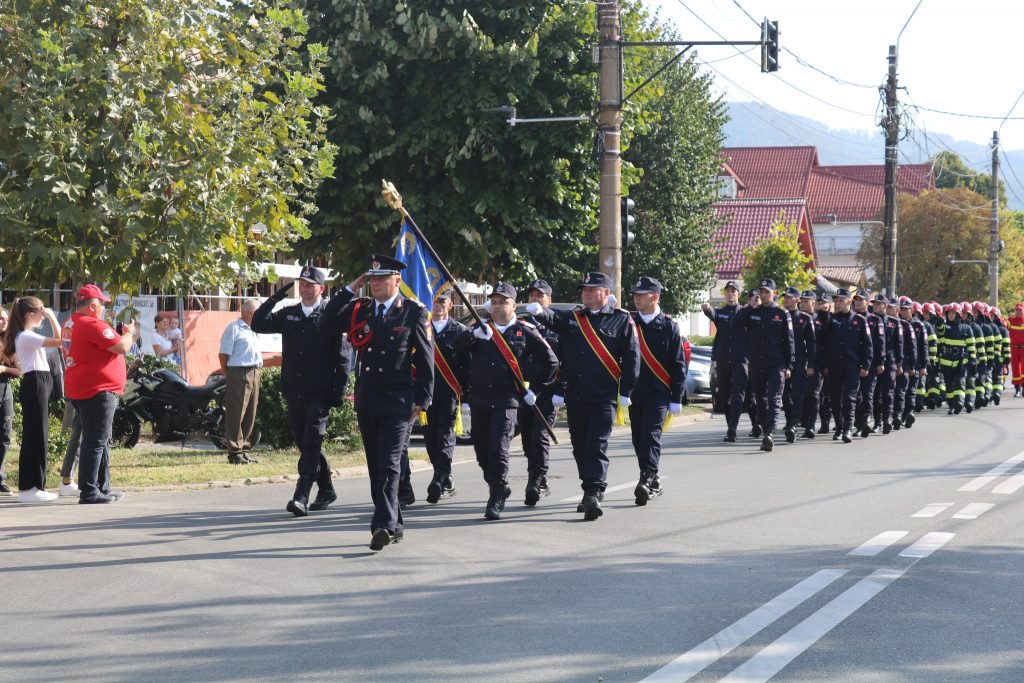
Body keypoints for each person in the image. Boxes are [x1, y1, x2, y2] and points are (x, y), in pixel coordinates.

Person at [321, 255, 433, 551]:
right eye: (371, 279)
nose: (375, 284)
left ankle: (382, 524)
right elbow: (326, 321)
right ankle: (394, 524)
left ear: (397, 280)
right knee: (375, 464)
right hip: (368, 398)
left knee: (390, 462)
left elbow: (425, 359)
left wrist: (423, 398)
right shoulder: (361, 309)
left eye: (382, 279)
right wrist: (348, 289)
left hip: (398, 400)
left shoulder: (412, 312)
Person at [525, 271, 639, 521]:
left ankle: (593, 491)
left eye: (591, 290)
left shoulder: (621, 321)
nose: (586, 294)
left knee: (596, 445)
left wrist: (626, 392)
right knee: (579, 446)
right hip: (576, 395)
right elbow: (554, 318)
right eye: (584, 290)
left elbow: (632, 358)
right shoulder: (575, 318)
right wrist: (539, 312)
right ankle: (589, 486)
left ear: (606, 293)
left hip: (604, 396)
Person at [252, 266, 351, 517]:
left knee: (312, 441)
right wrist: (273, 299)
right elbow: (258, 323)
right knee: (306, 444)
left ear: (322, 288)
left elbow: (343, 357)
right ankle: (327, 489)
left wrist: (339, 391)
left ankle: (302, 494)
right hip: (294, 389)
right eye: (302, 284)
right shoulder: (290, 314)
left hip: (320, 391)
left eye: (309, 284)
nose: (304, 288)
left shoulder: (330, 315)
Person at [455, 283, 558, 520]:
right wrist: (472, 335)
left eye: (504, 301)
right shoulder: (481, 329)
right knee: (481, 450)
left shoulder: (525, 331)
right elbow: (455, 346)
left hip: (508, 400)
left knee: (498, 446)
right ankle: (498, 484)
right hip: (480, 398)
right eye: (495, 302)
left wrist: (538, 390)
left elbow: (551, 361)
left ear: (514, 305)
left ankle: (496, 494)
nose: (499, 306)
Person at [63, 285, 134, 504]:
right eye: (102, 303)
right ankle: (89, 491)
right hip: (97, 389)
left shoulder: (73, 322)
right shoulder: (90, 323)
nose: (103, 307)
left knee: (100, 440)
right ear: (93, 306)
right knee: (95, 441)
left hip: (87, 387)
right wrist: (130, 332)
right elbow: (122, 346)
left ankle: (102, 487)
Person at [628, 276, 685, 503]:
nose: (636, 298)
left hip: (659, 393)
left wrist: (677, 397)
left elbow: (678, 364)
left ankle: (647, 477)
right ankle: (653, 477)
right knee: (638, 438)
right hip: (634, 393)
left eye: (641, 294)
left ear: (655, 297)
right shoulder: (629, 323)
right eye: (635, 294)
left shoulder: (669, 326)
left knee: (651, 435)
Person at [2, 297, 63, 503]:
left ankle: (31, 486)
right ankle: (32, 486)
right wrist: (54, 317)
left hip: (39, 380)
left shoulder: (27, 335)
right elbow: (59, 340)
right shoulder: (26, 336)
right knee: (37, 435)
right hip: (36, 380)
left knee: (36, 434)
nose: (43, 317)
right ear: (30, 315)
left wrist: (48, 314)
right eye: (41, 313)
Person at [731, 279, 795, 452]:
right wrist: (749, 306)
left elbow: (789, 342)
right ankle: (766, 427)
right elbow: (735, 324)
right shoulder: (752, 312)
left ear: (773, 293)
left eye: (767, 291)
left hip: (777, 364)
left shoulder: (782, 313)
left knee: (774, 398)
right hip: (757, 364)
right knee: (761, 400)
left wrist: (790, 365)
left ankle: (769, 433)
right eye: (761, 291)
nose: (763, 295)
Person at [518, 279, 564, 506]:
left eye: (540, 296)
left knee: (539, 435)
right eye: (532, 296)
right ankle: (537, 474)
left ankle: (536, 479)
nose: (534, 299)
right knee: (527, 438)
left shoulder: (558, 327)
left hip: (547, 391)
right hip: (524, 390)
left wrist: (560, 391)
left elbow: (565, 361)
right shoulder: (521, 324)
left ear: (549, 300)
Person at [423, 290, 469, 504]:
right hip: (425, 395)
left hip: (449, 395)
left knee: (444, 438)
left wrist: (467, 396)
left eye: (442, 301)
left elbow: (467, 367)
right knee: (431, 440)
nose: (438, 305)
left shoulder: (460, 332)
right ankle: (445, 478)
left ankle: (439, 478)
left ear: (450, 305)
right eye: (434, 301)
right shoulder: (422, 328)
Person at [821, 289, 871, 444]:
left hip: (852, 366)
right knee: (835, 399)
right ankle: (839, 426)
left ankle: (848, 428)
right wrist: (824, 314)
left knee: (849, 398)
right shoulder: (832, 319)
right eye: (836, 300)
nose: (838, 303)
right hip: (834, 366)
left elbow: (868, 345)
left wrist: (866, 365)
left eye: (841, 300)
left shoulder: (860, 320)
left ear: (850, 301)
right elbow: (822, 339)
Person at [218, 299, 263, 465]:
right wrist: (229, 373)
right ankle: (234, 451)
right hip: (238, 371)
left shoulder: (255, 330)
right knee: (236, 413)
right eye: (259, 311)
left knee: (250, 413)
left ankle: (244, 449)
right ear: (250, 313)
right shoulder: (234, 329)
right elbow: (223, 355)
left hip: (254, 371)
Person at [781, 287, 816, 443]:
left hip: (800, 363)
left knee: (798, 395)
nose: (786, 300)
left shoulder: (805, 318)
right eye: (785, 297)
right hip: (782, 362)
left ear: (797, 300)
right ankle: (790, 420)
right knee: (784, 395)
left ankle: (794, 423)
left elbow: (812, 344)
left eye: (789, 297)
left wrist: (811, 364)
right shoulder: (780, 316)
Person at [701, 281, 741, 416]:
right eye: (727, 291)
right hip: (723, 360)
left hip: (739, 361)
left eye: (733, 291)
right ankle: (731, 427)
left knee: (738, 394)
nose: (730, 294)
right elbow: (713, 314)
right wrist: (707, 309)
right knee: (724, 395)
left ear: (738, 294)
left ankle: (739, 424)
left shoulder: (743, 312)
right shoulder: (721, 312)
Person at [852, 290, 885, 438]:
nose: (858, 302)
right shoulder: (851, 318)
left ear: (867, 303)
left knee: (867, 394)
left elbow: (880, 343)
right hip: (852, 362)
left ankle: (864, 422)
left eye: (861, 299)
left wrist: (880, 362)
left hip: (870, 363)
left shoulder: (875, 320)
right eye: (856, 299)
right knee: (855, 395)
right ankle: (858, 423)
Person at [0, 306, 23, 496]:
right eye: (0, 319)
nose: (4, 323)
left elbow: (17, 371)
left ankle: (0, 478)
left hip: (5, 390)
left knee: (6, 435)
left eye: (6, 319)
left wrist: (4, 369)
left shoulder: (9, 342)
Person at [871, 294, 901, 434]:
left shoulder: (894, 323)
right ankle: (877, 421)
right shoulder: (870, 321)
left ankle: (887, 419)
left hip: (890, 361)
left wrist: (899, 363)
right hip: (873, 360)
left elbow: (898, 345)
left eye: (878, 304)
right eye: (874, 304)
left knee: (888, 392)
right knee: (875, 393)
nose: (875, 306)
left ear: (885, 306)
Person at [806, 293, 832, 437]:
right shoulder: (812, 319)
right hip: (814, 361)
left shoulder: (830, 319)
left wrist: (828, 363)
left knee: (825, 394)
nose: (822, 306)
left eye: (824, 303)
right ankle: (810, 424)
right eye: (820, 303)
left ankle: (825, 422)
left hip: (826, 362)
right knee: (814, 394)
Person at [1007, 303, 1024, 396]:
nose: (1018, 312)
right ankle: (1017, 389)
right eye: (1017, 310)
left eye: (1020, 310)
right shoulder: (1011, 320)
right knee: (1015, 369)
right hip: (1014, 348)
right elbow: (1004, 324)